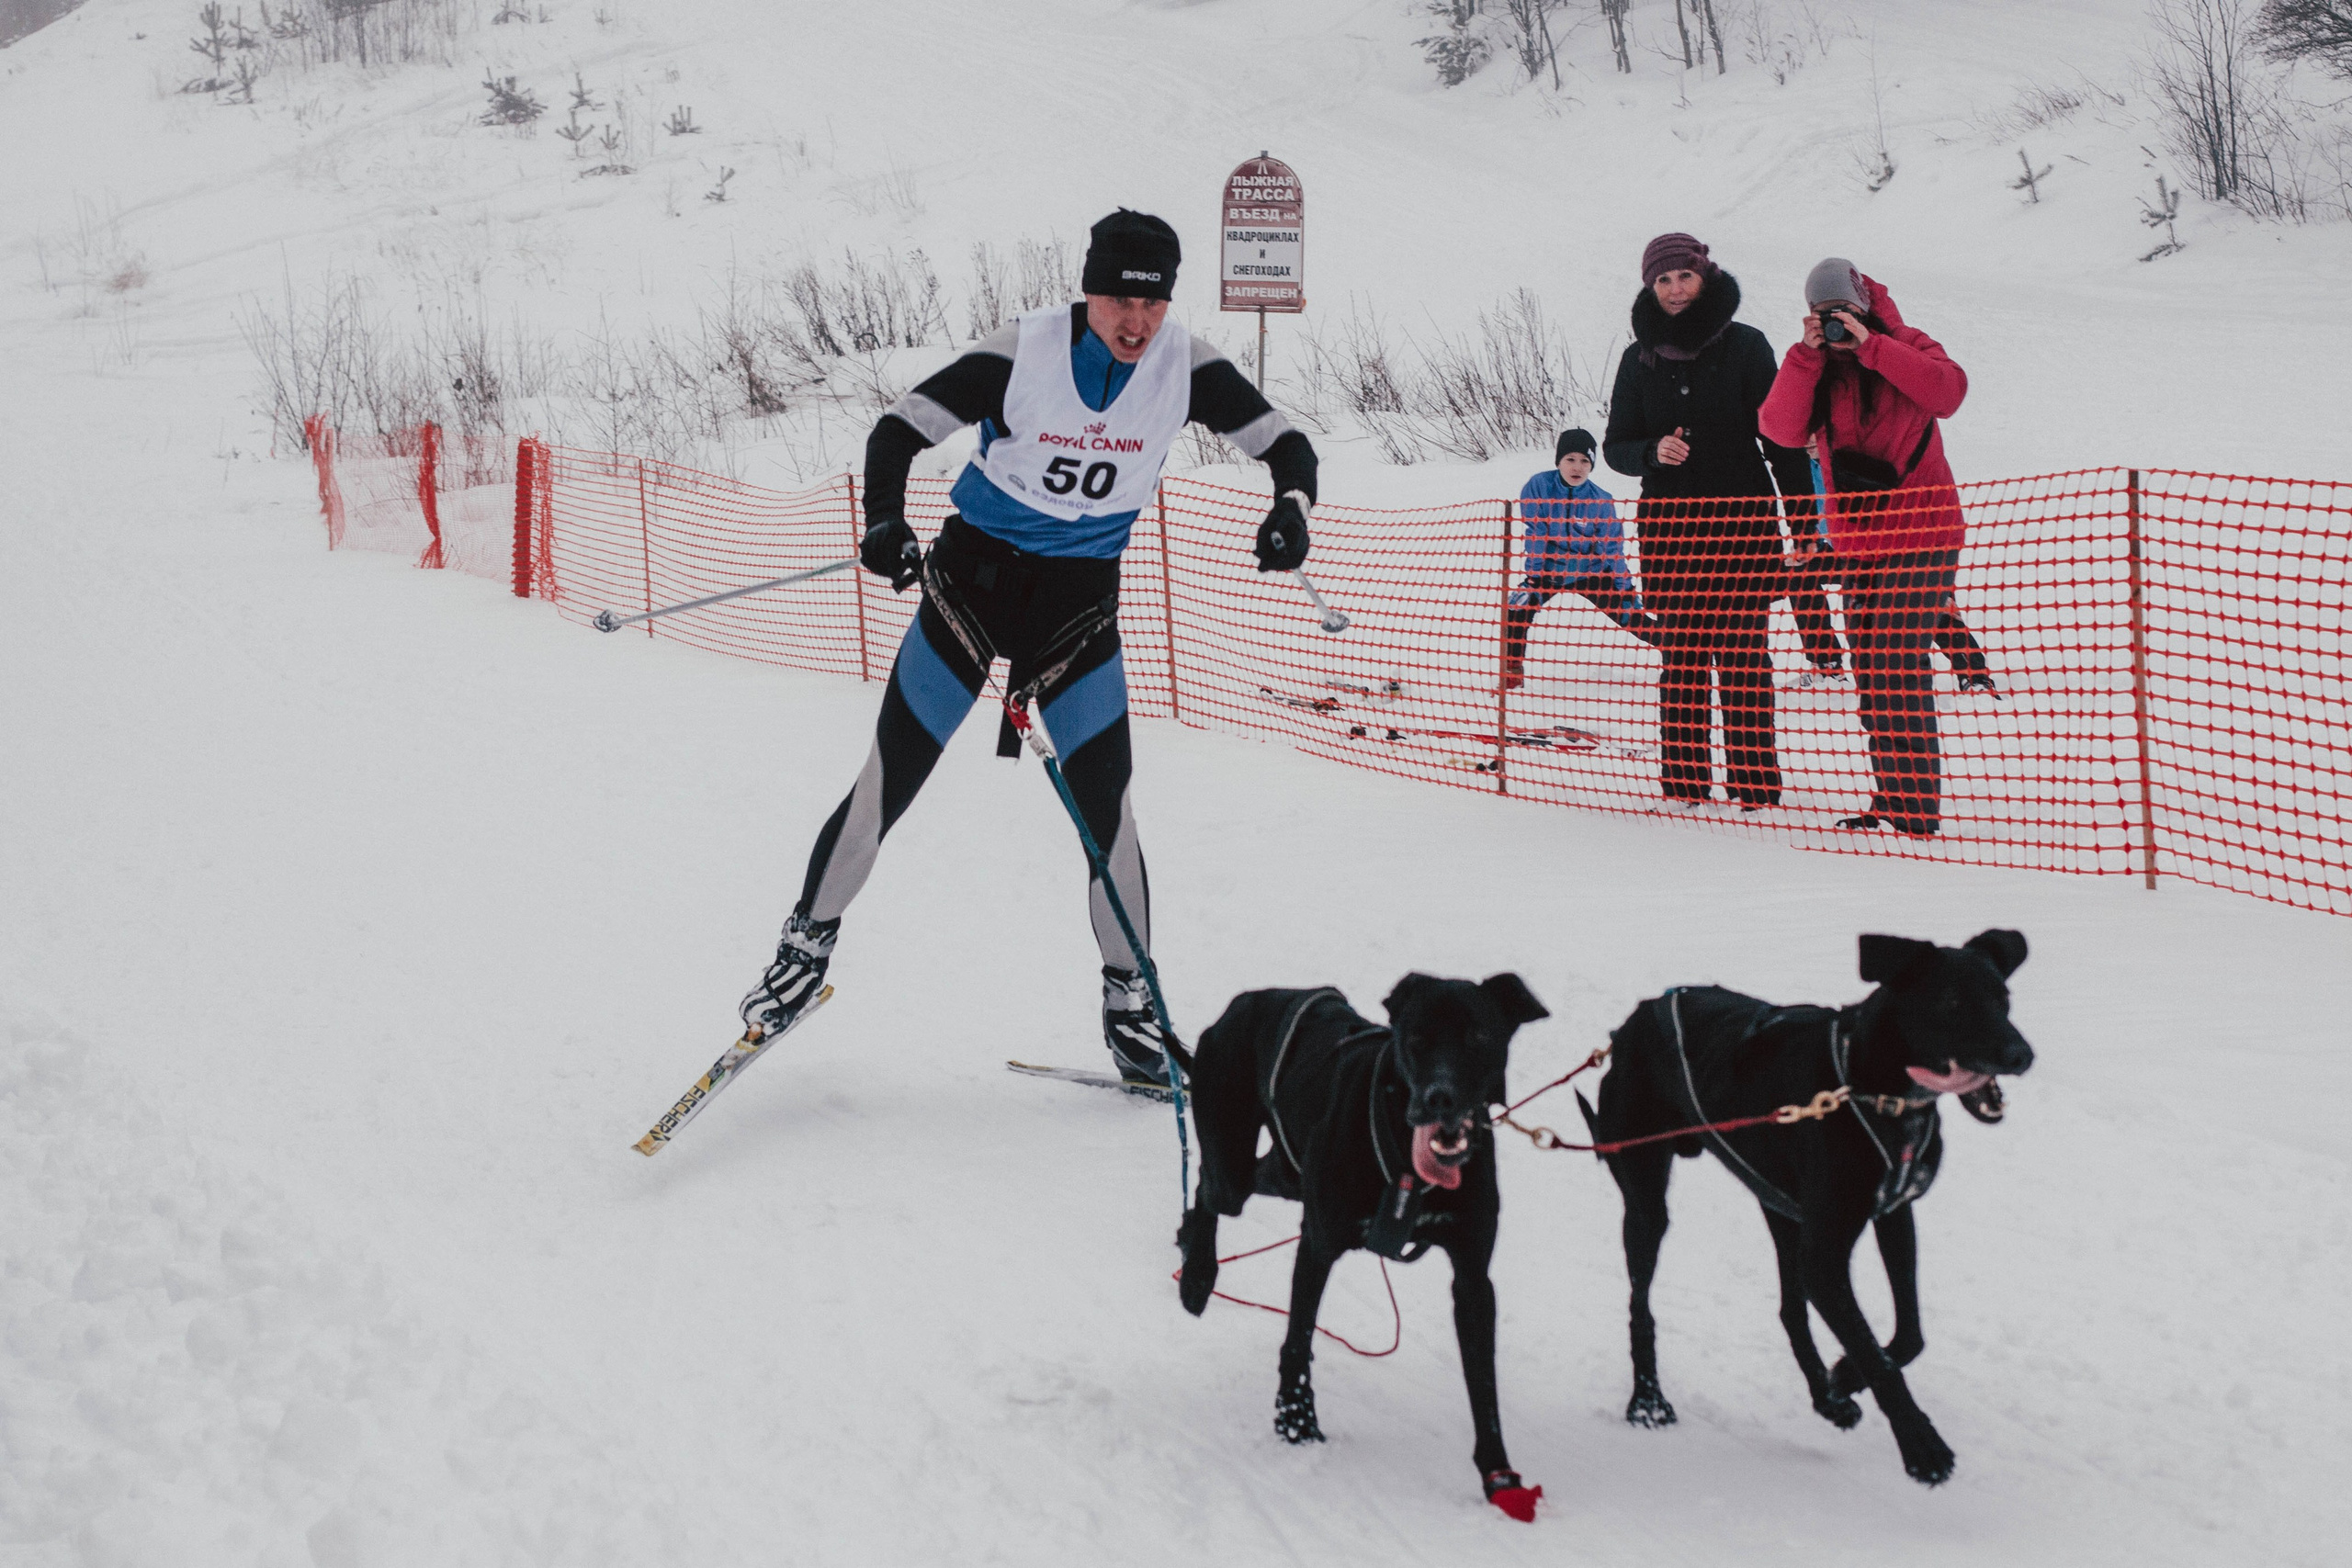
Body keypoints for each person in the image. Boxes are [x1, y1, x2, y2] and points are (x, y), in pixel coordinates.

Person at [737, 209, 1320, 1085]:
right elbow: (897, 431)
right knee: (886, 785)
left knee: (1110, 817)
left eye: (1153, 304)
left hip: (1076, 614)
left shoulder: (1184, 365)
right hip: (971, 591)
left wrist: (1291, 509)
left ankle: (1132, 1006)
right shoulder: (1026, 351)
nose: (1137, 323)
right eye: (1121, 301)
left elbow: (1288, 447)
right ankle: (802, 949)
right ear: (1090, 292)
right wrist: (885, 521)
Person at [1602, 232, 1816, 812]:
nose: (1675, 289)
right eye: (1663, 280)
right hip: (1670, 531)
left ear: (1705, 277)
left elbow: (1783, 442)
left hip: (1742, 524)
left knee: (1745, 657)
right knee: (1683, 659)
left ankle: (1755, 787)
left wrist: (1803, 525)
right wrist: (1650, 452)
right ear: (1650, 287)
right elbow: (1615, 447)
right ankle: (1684, 788)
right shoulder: (1637, 358)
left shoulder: (1746, 345)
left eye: (1685, 276)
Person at [1758, 257, 1969, 837]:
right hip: (1860, 542)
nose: (1836, 322)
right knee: (1873, 670)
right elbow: (1779, 429)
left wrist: (1872, 345)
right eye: (1824, 313)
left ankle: (1916, 810)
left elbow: (1948, 392)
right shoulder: (1819, 366)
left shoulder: (1906, 342)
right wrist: (1805, 357)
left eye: (1844, 310)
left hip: (1923, 534)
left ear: (1864, 306)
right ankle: (1893, 798)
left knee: (1896, 660)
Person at [1503, 428, 1658, 690]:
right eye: (1570, 459)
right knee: (1517, 611)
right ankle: (1512, 673)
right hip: (1550, 572)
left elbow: (1612, 548)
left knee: (1632, 617)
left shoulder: (1601, 501)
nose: (1577, 467)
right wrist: (1533, 578)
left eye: (1585, 461)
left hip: (1591, 572)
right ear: (1559, 461)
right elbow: (1536, 533)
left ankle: (1680, 656)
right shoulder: (1539, 486)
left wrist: (1626, 590)